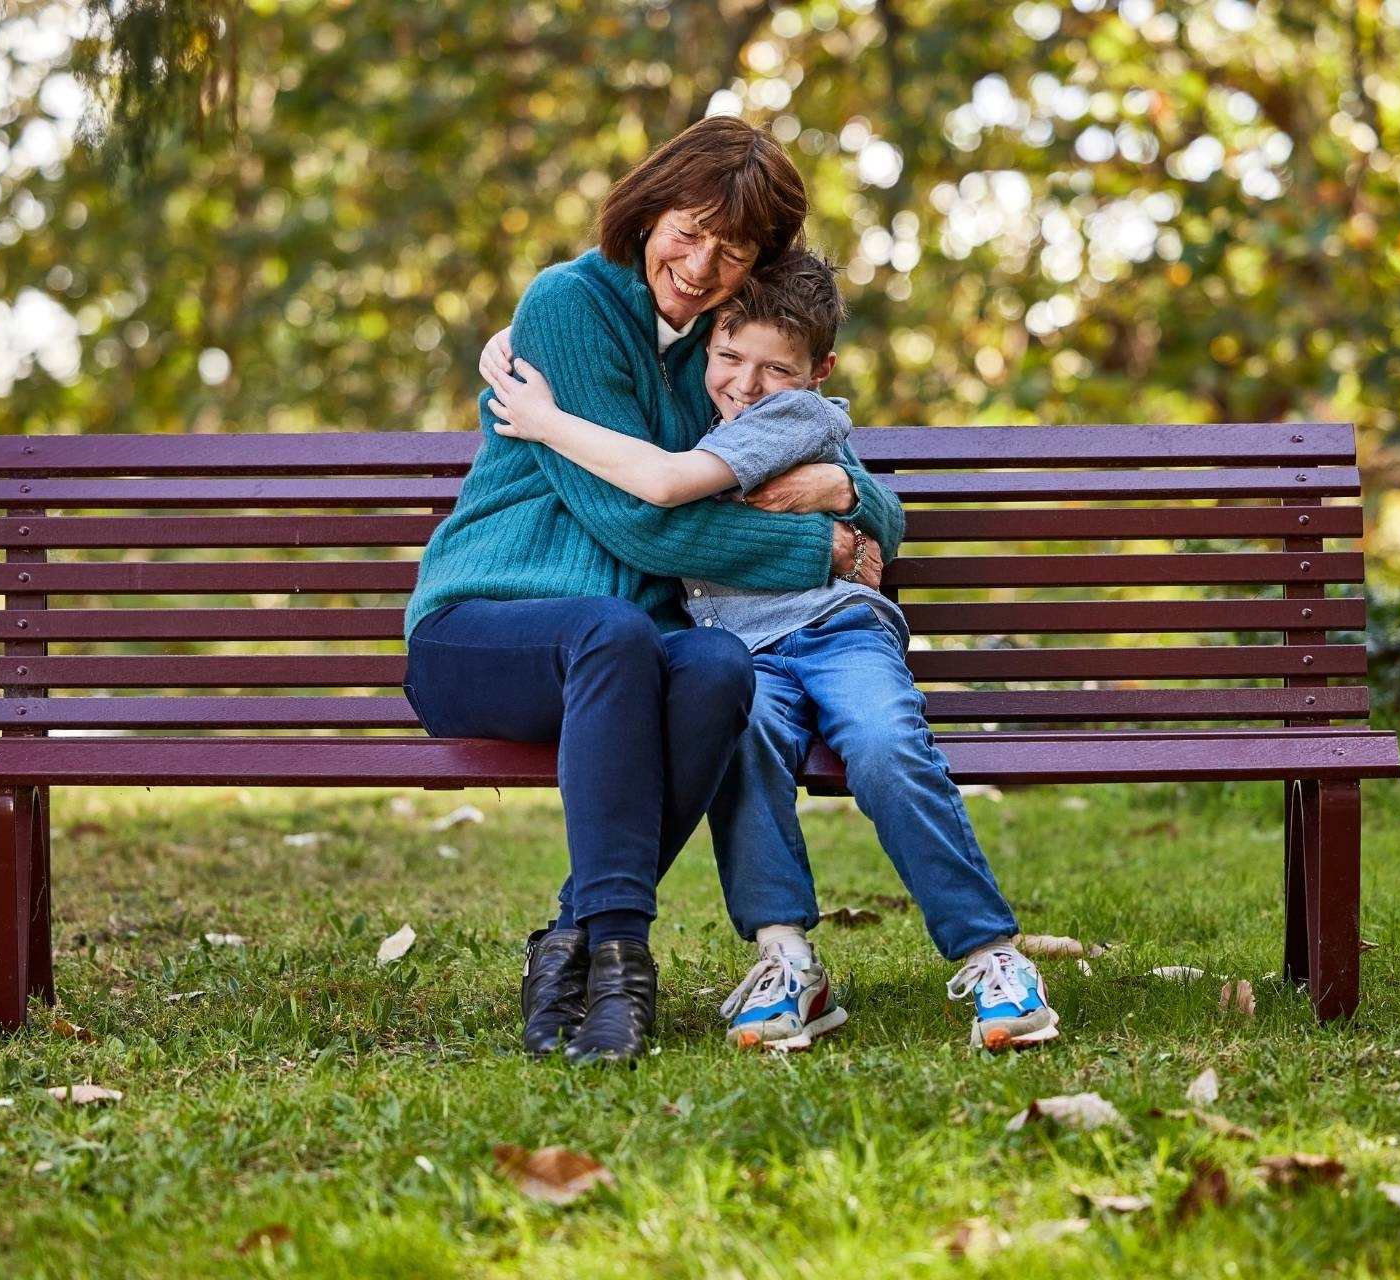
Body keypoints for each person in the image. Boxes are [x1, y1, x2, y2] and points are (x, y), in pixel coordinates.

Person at [404, 118, 904, 1065]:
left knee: (717, 665)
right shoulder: (565, 305)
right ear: (649, 208)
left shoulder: (728, 360)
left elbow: (858, 484)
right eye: (688, 227)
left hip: (619, 646)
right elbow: (639, 523)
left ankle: (568, 948)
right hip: (482, 629)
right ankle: (625, 961)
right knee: (618, 632)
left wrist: (851, 496)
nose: (699, 261)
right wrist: (816, 551)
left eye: (733, 249)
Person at [484, 248, 1060, 1053]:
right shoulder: (688, 413)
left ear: (820, 371)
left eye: (776, 369)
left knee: (887, 747)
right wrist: (525, 331)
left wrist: (845, 491)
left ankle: (994, 956)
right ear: (708, 342)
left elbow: (682, 487)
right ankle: (787, 961)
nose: (746, 385)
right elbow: (623, 359)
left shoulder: (795, 421)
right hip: (741, 651)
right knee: (743, 747)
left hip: (837, 632)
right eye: (729, 357)